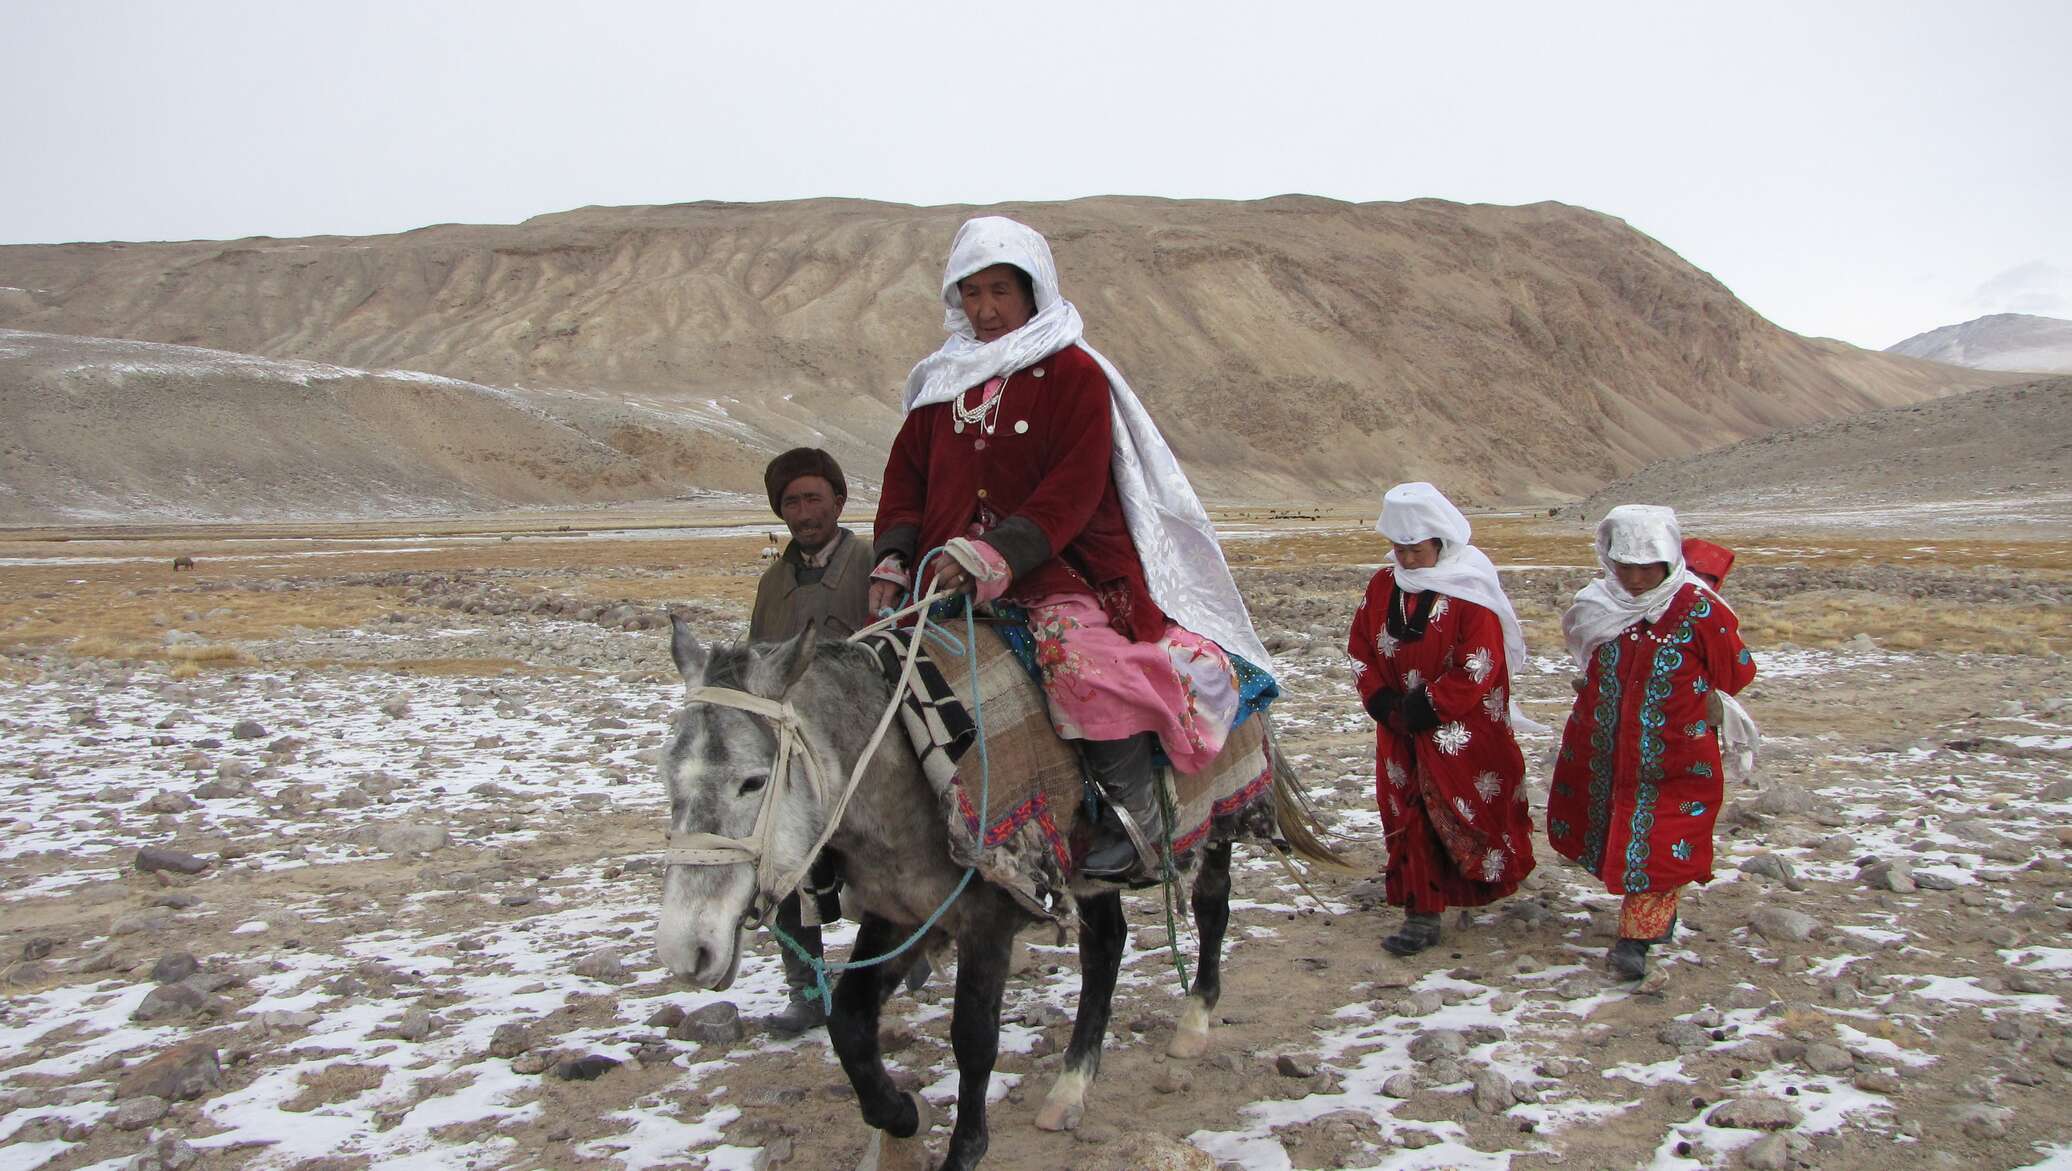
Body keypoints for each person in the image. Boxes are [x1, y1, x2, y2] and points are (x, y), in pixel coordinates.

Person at [870, 215, 1273, 881]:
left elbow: (1076, 483)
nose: (986, 309)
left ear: (1033, 290)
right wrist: (892, 558)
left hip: (1059, 568)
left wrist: (994, 553)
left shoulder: (1073, 372)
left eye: (1000, 290)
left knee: (1080, 661)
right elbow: (904, 481)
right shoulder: (939, 385)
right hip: (942, 576)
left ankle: (1137, 822)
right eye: (971, 293)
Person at [1548, 505, 1757, 980]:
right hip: (1605, 749)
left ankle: (1636, 941)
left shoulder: (1701, 610)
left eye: (1649, 567)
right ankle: (1647, 919)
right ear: (1608, 559)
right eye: (1626, 566)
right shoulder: (1596, 605)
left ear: (1669, 561)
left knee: (1660, 842)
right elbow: (1584, 655)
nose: (1637, 578)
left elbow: (1736, 671)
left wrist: (1702, 697)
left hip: (1675, 755)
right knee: (1618, 834)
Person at [1346, 483, 1537, 956]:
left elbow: (1480, 660)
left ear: (1440, 543)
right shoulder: (1381, 586)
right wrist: (1382, 702)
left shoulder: (1471, 589)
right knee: (1409, 812)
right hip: (1398, 729)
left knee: (1459, 809)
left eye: (1416, 550)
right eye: (1400, 550)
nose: (1407, 560)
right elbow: (1361, 648)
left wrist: (1427, 707)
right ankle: (1421, 912)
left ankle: (1472, 886)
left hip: (1461, 732)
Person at [749, 447, 873, 1033]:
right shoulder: (773, 583)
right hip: (796, 753)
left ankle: (911, 953)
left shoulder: (873, 564)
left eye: (813, 498)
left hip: (872, 748)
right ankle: (808, 988)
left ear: (839, 502)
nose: (803, 512)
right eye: (791, 501)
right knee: (783, 868)